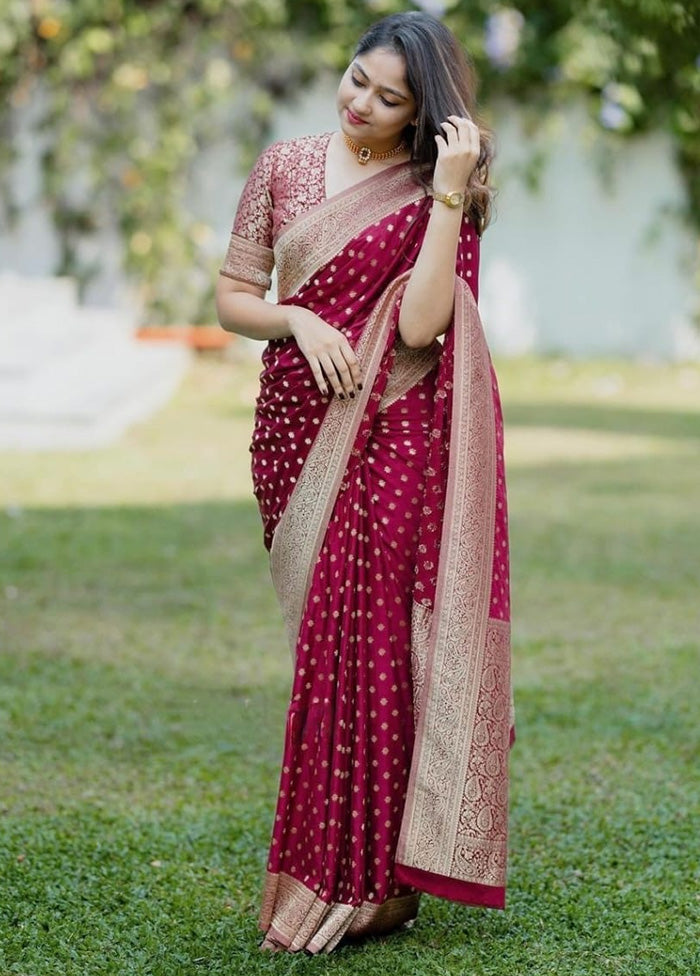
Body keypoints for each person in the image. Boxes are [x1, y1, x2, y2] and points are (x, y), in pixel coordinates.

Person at [216, 10, 513, 955]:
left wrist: (448, 193)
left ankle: (369, 884)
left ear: (423, 112)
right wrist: (297, 320)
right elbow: (233, 298)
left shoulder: (436, 192)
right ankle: (350, 872)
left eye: (390, 99)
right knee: (324, 656)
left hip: (394, 437)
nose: (362, 105)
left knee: (374, 655)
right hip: (293, 430)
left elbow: (422, 327)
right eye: (357, 80)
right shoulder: (283, 166)